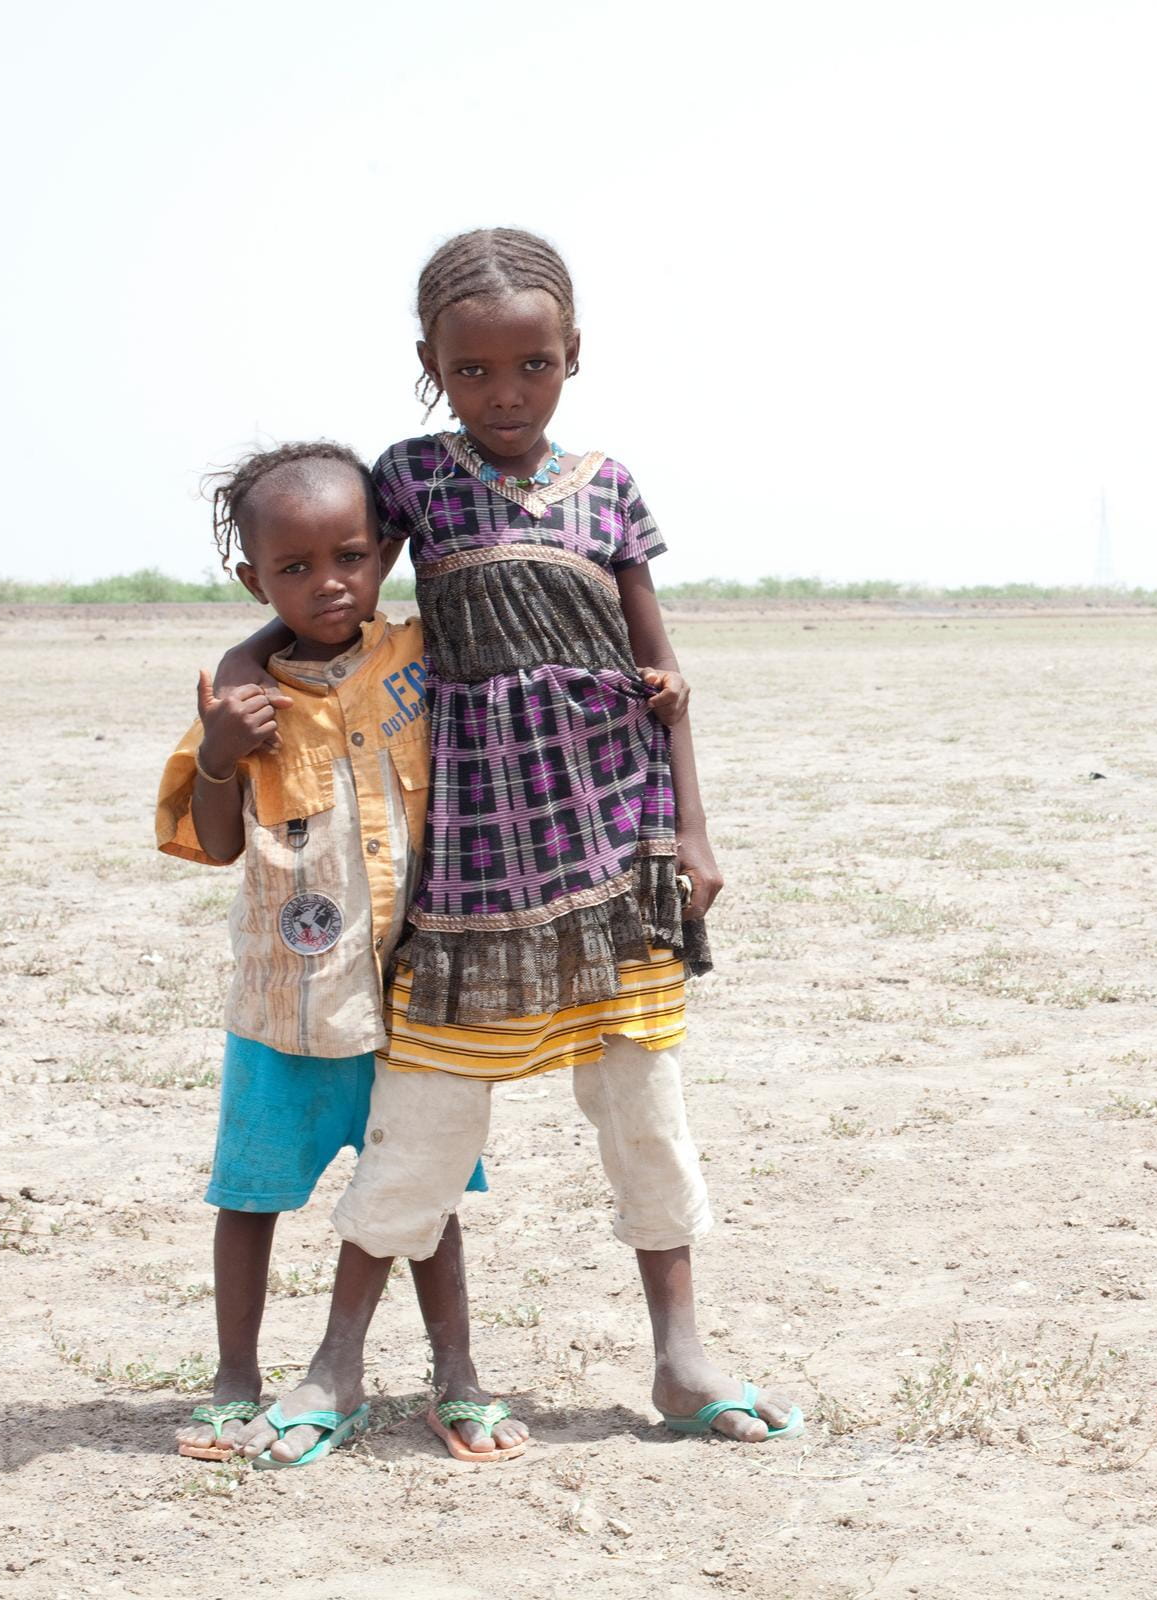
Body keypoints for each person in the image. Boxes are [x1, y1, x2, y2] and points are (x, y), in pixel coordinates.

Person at [227, 227, 797, 1464]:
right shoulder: (414, 480)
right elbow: (314, 583)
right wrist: (231, 673)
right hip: (476, 852)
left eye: (531, 365)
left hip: (617, 833)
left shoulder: (611, 488)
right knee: (427, 1109)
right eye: (473, 371)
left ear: (572, 356)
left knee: (644, 1104)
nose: (505, 393)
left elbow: (664, 676)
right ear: (430, 365)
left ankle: (681, 1352)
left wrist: (693, 826)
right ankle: (336, 1362)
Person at [157, 441, 514, 1468]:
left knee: (426, 1195)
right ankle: (235, 1377)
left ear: (386, 553)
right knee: (251, 1195)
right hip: (286, 1007)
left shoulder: (416, 655)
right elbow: (216, 842)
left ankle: (458, 1374)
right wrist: (221, 749)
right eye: (295, 568)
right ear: (252, 578)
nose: (329, 583)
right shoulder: (238, 697)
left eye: (351, 556)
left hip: (409, 1001)